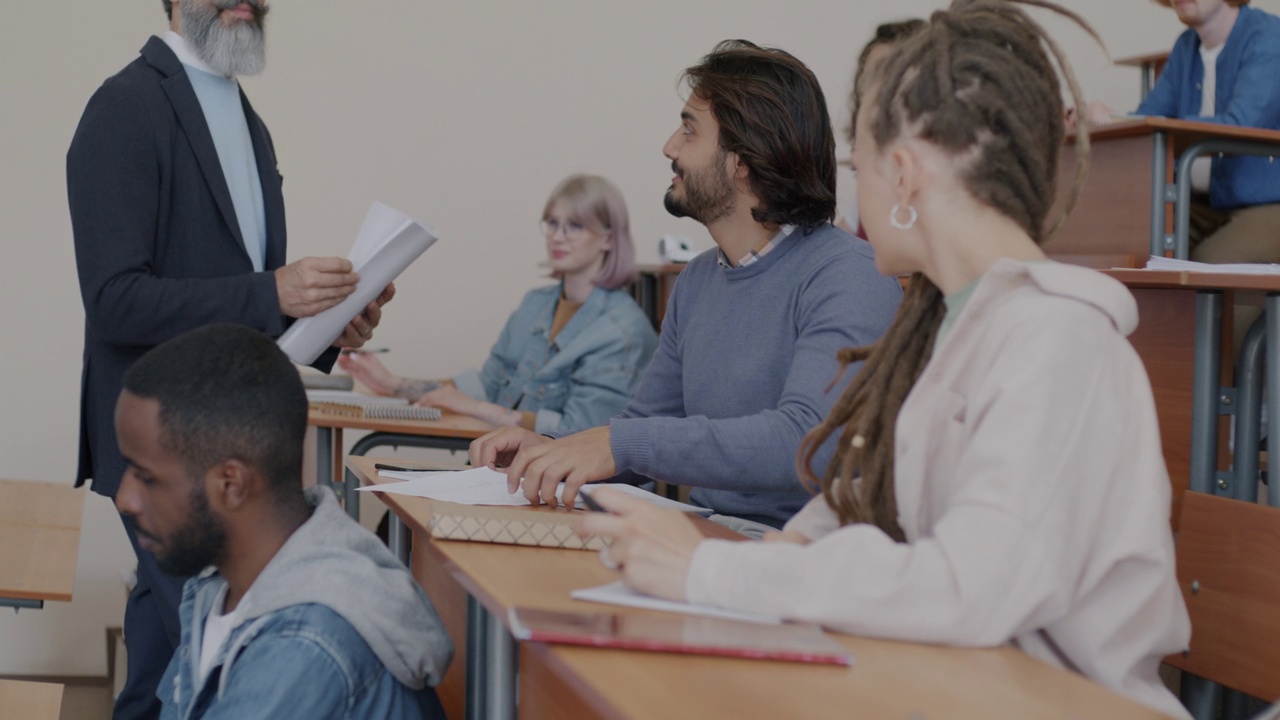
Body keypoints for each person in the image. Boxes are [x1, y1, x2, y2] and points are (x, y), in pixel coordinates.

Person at [576, 2, 1192, 718]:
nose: (850, 195)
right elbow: (859, 508)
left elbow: (967, 588)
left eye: (857, 165)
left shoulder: (1056, 344)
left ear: (902, 176)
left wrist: (713, 569)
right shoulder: (958, 328)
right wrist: (759, 557)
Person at [67, 1, 391, 716]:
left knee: (164, 654)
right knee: (206, 658)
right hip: (166, 445)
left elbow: (241, 299)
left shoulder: (248, 120)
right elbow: (116, 301)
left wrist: (332, 322)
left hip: (225, 436)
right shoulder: (123, 107)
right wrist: (274, 289)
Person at [470, 40, 902, 535]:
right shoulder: (698, 280)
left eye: (689, 130)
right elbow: (643, 427)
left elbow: (807, 439)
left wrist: (619, 444)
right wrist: (551, 449)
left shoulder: (849, 273)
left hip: (798, 557)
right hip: (707, 537)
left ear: (742, 159)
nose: (670, 146)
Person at [114, 323, 450, 719]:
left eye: (146, 477)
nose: (125, 499)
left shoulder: (304, 645)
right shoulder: (218, 588)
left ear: (231, 483)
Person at [340, 174, 658, 435]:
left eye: (574, 226)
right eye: (552, 223)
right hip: (515, 472)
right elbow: (487, 385)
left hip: (579, 491)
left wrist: (478, 409)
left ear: (608, 238)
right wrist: (393, 383)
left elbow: (583, 435)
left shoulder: (623, 332)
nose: (557, 237)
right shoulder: (535, 305)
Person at [1082, 0, 1280, 265]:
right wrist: (1109, 118)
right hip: (1196, 204)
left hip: (1265, 206)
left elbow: (1241, 124)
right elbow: (1149, 117)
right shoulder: (1186, 45)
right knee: (1133, 245)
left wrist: (1144, 121)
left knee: (1198, 278)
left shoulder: (1268, 36)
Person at [834, 19, 925, 239]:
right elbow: (843, 235)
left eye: (888, 73)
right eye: (869, 75)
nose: (875, 88)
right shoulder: (871, 178)